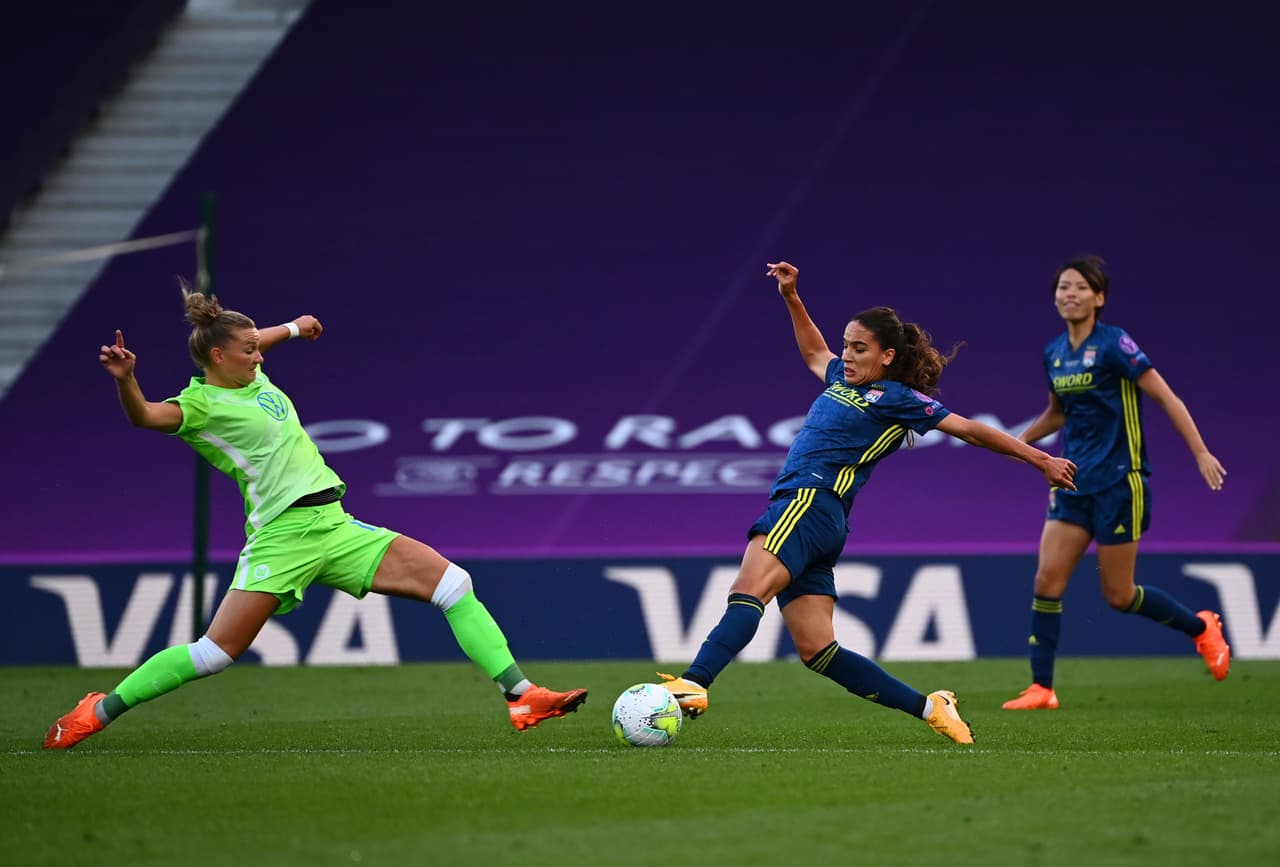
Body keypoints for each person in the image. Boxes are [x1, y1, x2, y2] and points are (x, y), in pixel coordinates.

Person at [43, 284, 587, 749]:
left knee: (452, 583)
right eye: (249, 350)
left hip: (334, 523)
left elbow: (265, 339)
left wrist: (295, 328)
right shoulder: (202, 406)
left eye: (258, 347)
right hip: (281, 537)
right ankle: (98, 710)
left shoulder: (250, 376)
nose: (258, 357)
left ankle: (521, 697)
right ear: (218, 359)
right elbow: (145, 418)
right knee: (213, 653)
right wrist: (125, 379)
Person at [657, 261, 1078, 744]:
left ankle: (695, 682)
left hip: (808, 501)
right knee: (818, 650)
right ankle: (931, 708)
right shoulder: (841, 378)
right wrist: (792, 297)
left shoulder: (897, 398)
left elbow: (969, 429)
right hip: (825, 522)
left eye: (860, 348)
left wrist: (1038, 459)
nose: (847, 355)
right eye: (847, 345)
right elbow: (815, 351)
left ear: (886, 356)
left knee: (748, 591)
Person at [1002, 255, 1229, 710]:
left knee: (1119, 595)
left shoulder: (1115, 345)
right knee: (1047, 579)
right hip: (1072, 480)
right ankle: (1042, 687)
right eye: (1063, 286)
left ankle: (1201, 628)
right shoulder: (1054, 352)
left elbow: (1166, 397)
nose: (1069, 293)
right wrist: (1018, 443)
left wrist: (1201, 451)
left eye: (1080, 287)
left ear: (1099, 297)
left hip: (1121, 482)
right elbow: (1058, 412)